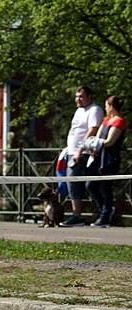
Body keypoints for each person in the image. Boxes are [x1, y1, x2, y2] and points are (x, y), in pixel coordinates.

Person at [59, 86, 103, 227]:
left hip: (83, 153)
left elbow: (93, 130)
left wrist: (80, 149)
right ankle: (89, 213)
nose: (78, 99)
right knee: (74, 183)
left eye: (81, 96)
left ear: (89, 97)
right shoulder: (79, 110)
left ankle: (80, 214)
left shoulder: (94, 110)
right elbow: (75, 130)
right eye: (77, 96)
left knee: (81, 183)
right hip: (72, 151)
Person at [85, 96, 127, 227]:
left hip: (109, 158)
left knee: (105, 187)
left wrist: (97, 143)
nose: (105, 108)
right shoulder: (106, 120)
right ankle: (105, 209)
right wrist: (92, 145)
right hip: (98, 157)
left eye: (106, 106)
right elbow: (98, 137)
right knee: (90, 185)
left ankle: (105, 215)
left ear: (111, 106)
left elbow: (109, 142)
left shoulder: (119, 121)